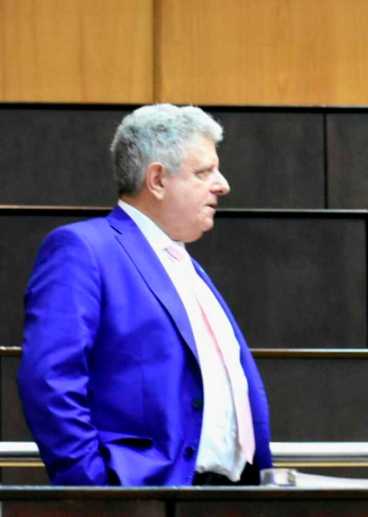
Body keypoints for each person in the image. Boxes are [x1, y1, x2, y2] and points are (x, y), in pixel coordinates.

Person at [18, 104, 272, 486]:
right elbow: (51, 380)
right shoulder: (84, 249)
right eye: (204, 172)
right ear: (157, 180)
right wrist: (93, 490)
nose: (222, 185)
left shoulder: (188, 266)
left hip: (232, 495)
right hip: (141, 497)